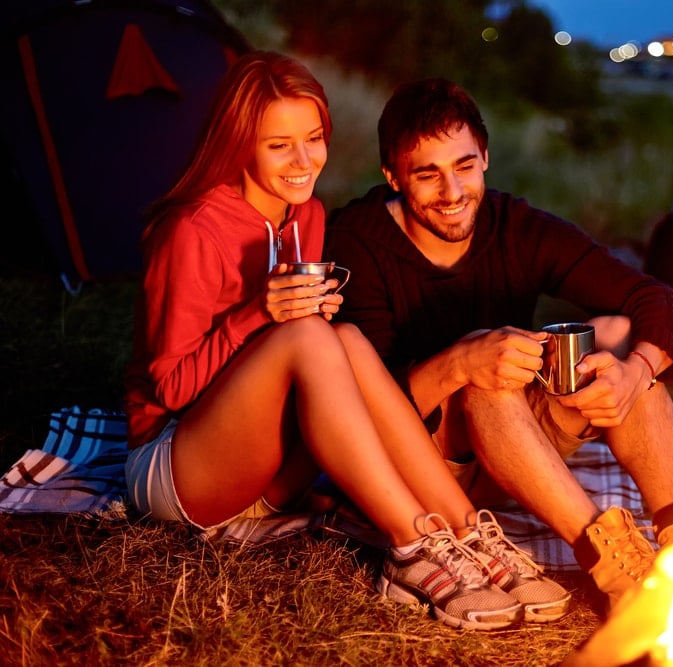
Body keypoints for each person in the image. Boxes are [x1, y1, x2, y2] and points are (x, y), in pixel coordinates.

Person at [122, 52, 570, 630]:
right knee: (313, 338)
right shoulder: (193, 230)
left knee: (349, 338)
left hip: (269, 476)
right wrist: (260, 313)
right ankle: (411, 548)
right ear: (240, 142)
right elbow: (172, 387)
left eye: (314, 138)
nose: (303, 160)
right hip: (177, 471)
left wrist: (304, 326)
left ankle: (465, 532)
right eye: (278, 144)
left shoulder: (305, 215)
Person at [325, 78, 673, 611]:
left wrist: (635, 371)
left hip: (515, 457)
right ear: (393, 177)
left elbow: (660, 300)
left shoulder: (515, 227)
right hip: (419, 468)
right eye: (427, 174)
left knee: (621, 368)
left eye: (464, 166)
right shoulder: (355, 240)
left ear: (485, 158)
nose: (452, 193)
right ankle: (617, 568)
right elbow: (359, 409)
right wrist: (460, 362)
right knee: (487, 385)